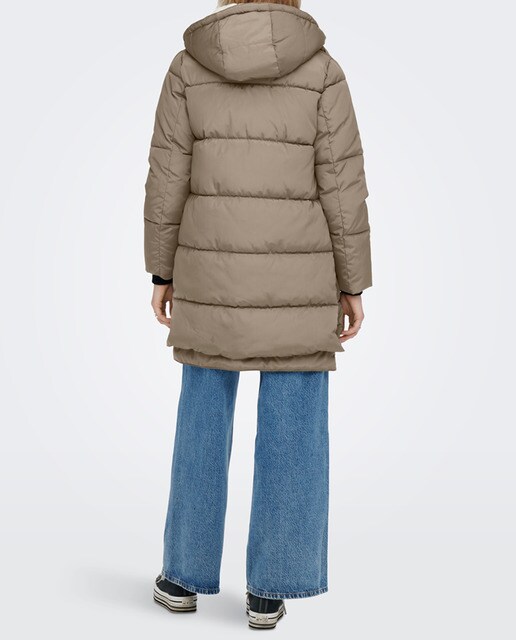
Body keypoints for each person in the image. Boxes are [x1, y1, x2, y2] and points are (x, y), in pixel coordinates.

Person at [143, 0, 372, 630]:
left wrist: (161, 271)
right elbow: (343, 186)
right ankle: (272, 588)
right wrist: (352, 282)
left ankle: (182, 575)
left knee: (202, 417)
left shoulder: (189, 66)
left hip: (209, 273)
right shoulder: (321, 69)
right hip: (300, 277)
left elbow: (166, 177)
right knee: (294, 425)